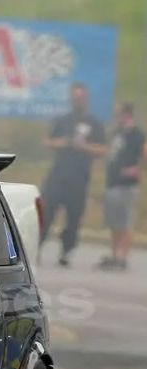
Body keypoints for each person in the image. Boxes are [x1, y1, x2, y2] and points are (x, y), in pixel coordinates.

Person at [39, 83, 107, 267]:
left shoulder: (95, 123)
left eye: (81, 97)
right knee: (47, 212)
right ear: (71, 99)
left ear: (86, 99)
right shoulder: (63, 120)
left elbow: (102, 149)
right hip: (58, 175)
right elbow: (48, 141)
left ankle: (66, 252)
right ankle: (37, 247)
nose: (78, 101)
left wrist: (85, 147)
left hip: (80, 178)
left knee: (74, 217)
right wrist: (65, 142)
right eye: (75, 97)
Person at [99, 102, 144, 270]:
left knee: (125, 222)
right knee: (114, 222)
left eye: (118, 113)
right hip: (112, 182)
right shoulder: (116, 133)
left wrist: (138, 168)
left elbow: (144, 153)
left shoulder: (137, 134)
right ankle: (114, 254)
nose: (116, 116)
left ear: (127, 114)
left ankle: (123, 258)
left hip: (127, 185)